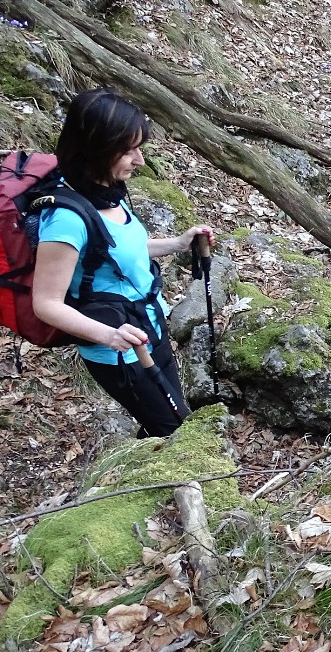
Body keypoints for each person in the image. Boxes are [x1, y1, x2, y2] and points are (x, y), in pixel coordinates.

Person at [31, 89, 214, 438]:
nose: (140, 160)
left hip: (148, 328)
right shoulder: (65, 220)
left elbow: (118, 251)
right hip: (119, 352)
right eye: (128, 150)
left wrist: (177, 244)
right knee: (175, 431)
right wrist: (109, 335)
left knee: (176, 418)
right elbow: (45, 303)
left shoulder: (107, 190)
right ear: (97, 149)